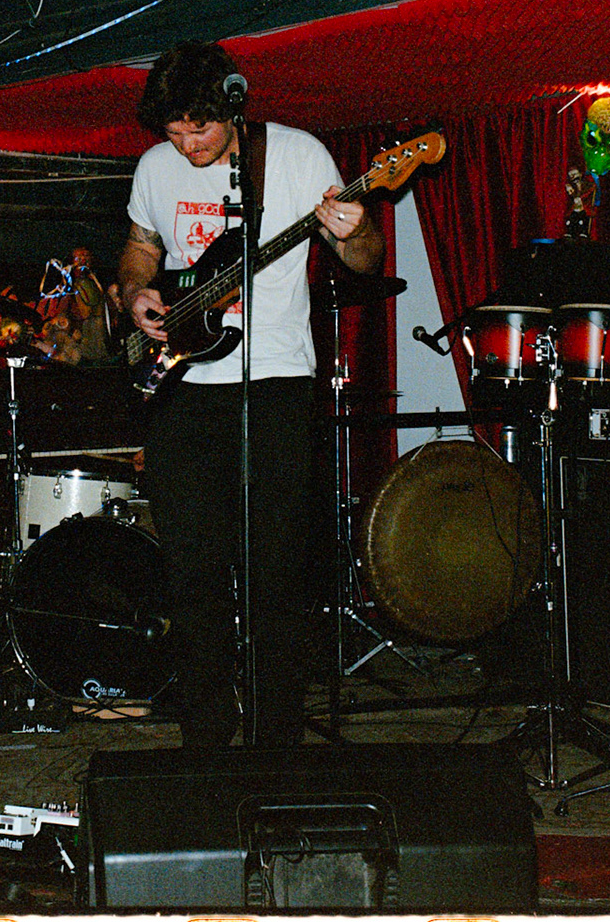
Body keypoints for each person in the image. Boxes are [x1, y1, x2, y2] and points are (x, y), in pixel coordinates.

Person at [118, 40, 383, 747]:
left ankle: (277, 739)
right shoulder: (154, 167)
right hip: (182, 386)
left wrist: (356, 230)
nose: (188, 146)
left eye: (199, 129)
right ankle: (205, 735)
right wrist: (137, 290)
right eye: (175, 133)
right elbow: (142, 244)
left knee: (275, 570)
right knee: (191, 570)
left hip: (274, 384)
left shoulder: (296, 156)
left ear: (231, 108)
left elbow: (364, 259)